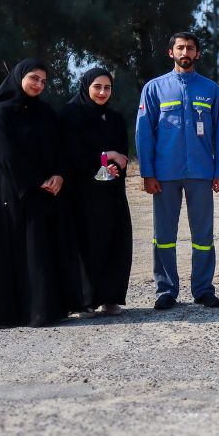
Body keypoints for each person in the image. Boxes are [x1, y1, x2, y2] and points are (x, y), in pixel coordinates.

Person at [0, 60, 74, 328]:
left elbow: (62, 147)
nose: (39, 85)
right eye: (34, 78)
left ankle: (39, 311)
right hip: (9, 190)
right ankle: (1, 314)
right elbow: (7, 154)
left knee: (37, 250)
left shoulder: (46, 112)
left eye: (43, 81)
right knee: (4, 251)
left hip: (44, 191)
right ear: (19, 77)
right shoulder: (1, 112)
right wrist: (38, 181)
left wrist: (59, 174)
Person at [136, 32, 219, 310]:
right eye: (180, 47)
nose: (185, 52)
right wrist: (147, 173)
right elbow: (144, 134)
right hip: (165, 174)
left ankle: (203, 288)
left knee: (203, 236)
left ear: (197, 53)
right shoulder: (154, 89)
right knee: (164, 235)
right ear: (171, 52)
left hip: (201, 173)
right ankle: (166, 290)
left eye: (190, 48)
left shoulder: (211, 90)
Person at [59, 67, 132, 316]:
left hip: (110, 192)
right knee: (84, 244)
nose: (102, 92)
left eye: (107, 87)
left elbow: (122, 153)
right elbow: (70, 154)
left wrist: (114, 165)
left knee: (113, 242)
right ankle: (84, 300)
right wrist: (105, 156)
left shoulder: (114, 118)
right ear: (86, 87)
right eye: (97, 87)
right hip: (80, 194)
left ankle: (110, 297)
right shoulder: (70, 115)